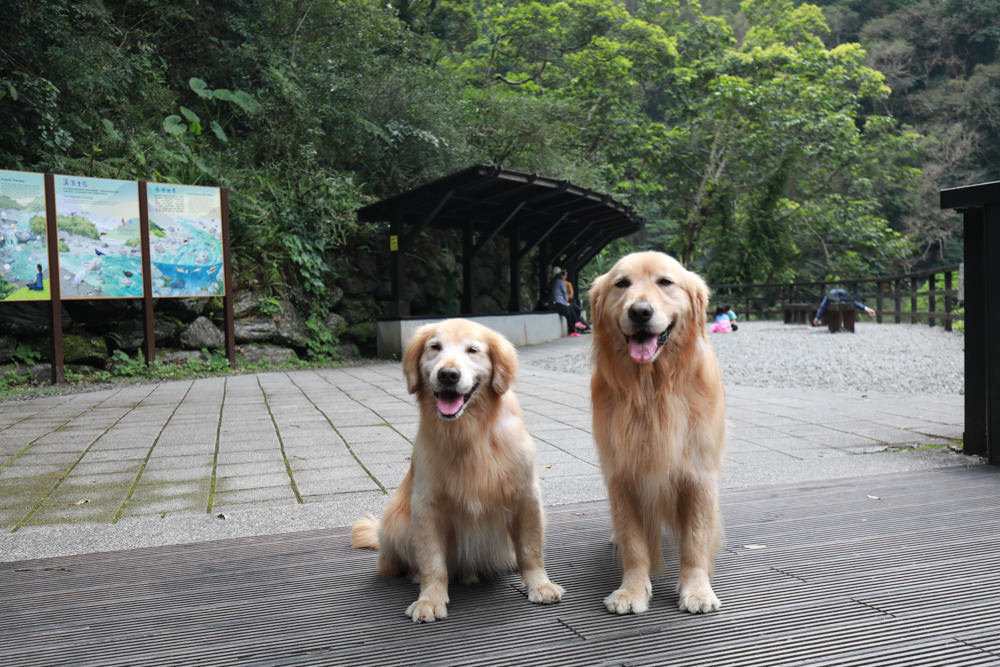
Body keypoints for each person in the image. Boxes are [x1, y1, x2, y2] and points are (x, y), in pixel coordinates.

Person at [549, 267, 590, 336]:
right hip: (559, 303)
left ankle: (576, 325)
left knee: (572, 308)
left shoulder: (553, 282)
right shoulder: (561, 282)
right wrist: (566, 303)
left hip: (554, 303)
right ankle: (575, 325)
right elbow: (566, 296)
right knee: (570, 309)